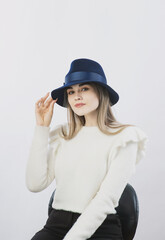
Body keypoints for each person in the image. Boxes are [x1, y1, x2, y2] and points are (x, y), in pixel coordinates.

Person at [26, 58, 148, 240]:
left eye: (84, 89)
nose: (77, 96)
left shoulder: (126, 137)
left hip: (101, 228)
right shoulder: (62, 135)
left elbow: (105, 200)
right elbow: (35, 184)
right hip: (56, 225)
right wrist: (41, 128)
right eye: (71, 91)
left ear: (100, 92)